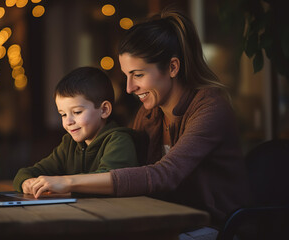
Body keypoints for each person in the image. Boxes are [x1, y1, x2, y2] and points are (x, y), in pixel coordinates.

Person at [18, 9, 250, 239]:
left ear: (172, 67)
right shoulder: (149, 114)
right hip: (165, 221)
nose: (129, 88)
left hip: (214, 226)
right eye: (126, 75)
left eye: (138, 75)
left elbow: (164, 175)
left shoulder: (210, 108)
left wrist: (67, 182)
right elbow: (130, 171)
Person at [13, 67, 138, 194]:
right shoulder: (69, 145)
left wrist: (66, 183)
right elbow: (27, 173)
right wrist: (26, 182)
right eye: (63, 114)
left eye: (77, 112)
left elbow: (112, 179)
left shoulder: (119, 140)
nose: (68, 122)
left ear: (104, 110)